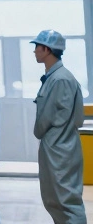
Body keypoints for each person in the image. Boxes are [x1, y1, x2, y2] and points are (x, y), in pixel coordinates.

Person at [30, 29, 87, 224]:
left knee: (67, 204)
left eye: (37, 47)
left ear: (47, 49)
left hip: (61, 151)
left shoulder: (60, 79)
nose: (35, 51)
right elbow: (78, 118)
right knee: (55, 202)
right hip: (57, 148)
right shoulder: (56, 77)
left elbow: (45, 120)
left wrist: (41, 131)